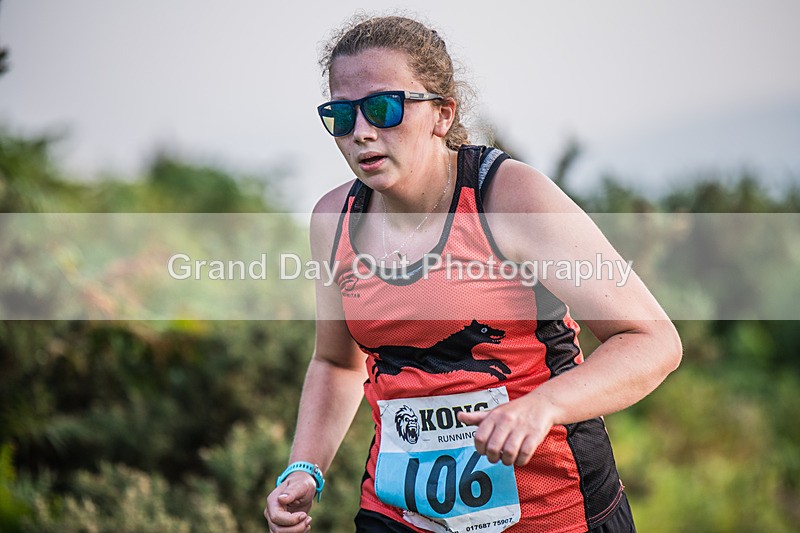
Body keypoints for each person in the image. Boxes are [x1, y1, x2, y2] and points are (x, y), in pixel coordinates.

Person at [264, 13, 681, 533]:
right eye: (341, 116)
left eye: (383, 108)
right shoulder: (334, 220)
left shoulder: (508, 197)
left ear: (443, 113)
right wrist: (305, 468)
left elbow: (652, 339)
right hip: (398, 514)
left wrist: (541, 407)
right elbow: (336, 363)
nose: (362, 133)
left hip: (553, 513)